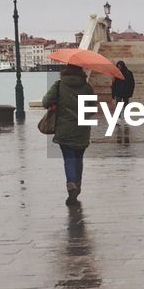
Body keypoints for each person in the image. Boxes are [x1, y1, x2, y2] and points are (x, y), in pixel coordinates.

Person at [42, 64, 95, 205]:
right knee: (79, 158)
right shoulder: (87, 87)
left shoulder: (59, 85)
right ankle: (77, 185)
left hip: (64, 129)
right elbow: (92, 110)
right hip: (82, 130)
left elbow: (46, 102)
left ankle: (71, 184)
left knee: (69, 158)